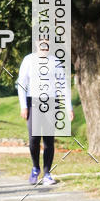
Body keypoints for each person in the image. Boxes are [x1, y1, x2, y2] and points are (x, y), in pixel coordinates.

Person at [17, 43, 74, 186]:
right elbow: (22, 84)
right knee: (34, 139)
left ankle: (47, 173)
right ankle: (35, 167)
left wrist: (69, 107)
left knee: (48, 139)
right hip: (33, 102)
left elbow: (63, 85)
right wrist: (24, 106)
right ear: (36, 44)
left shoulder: (55, 61)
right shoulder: (29, 60)